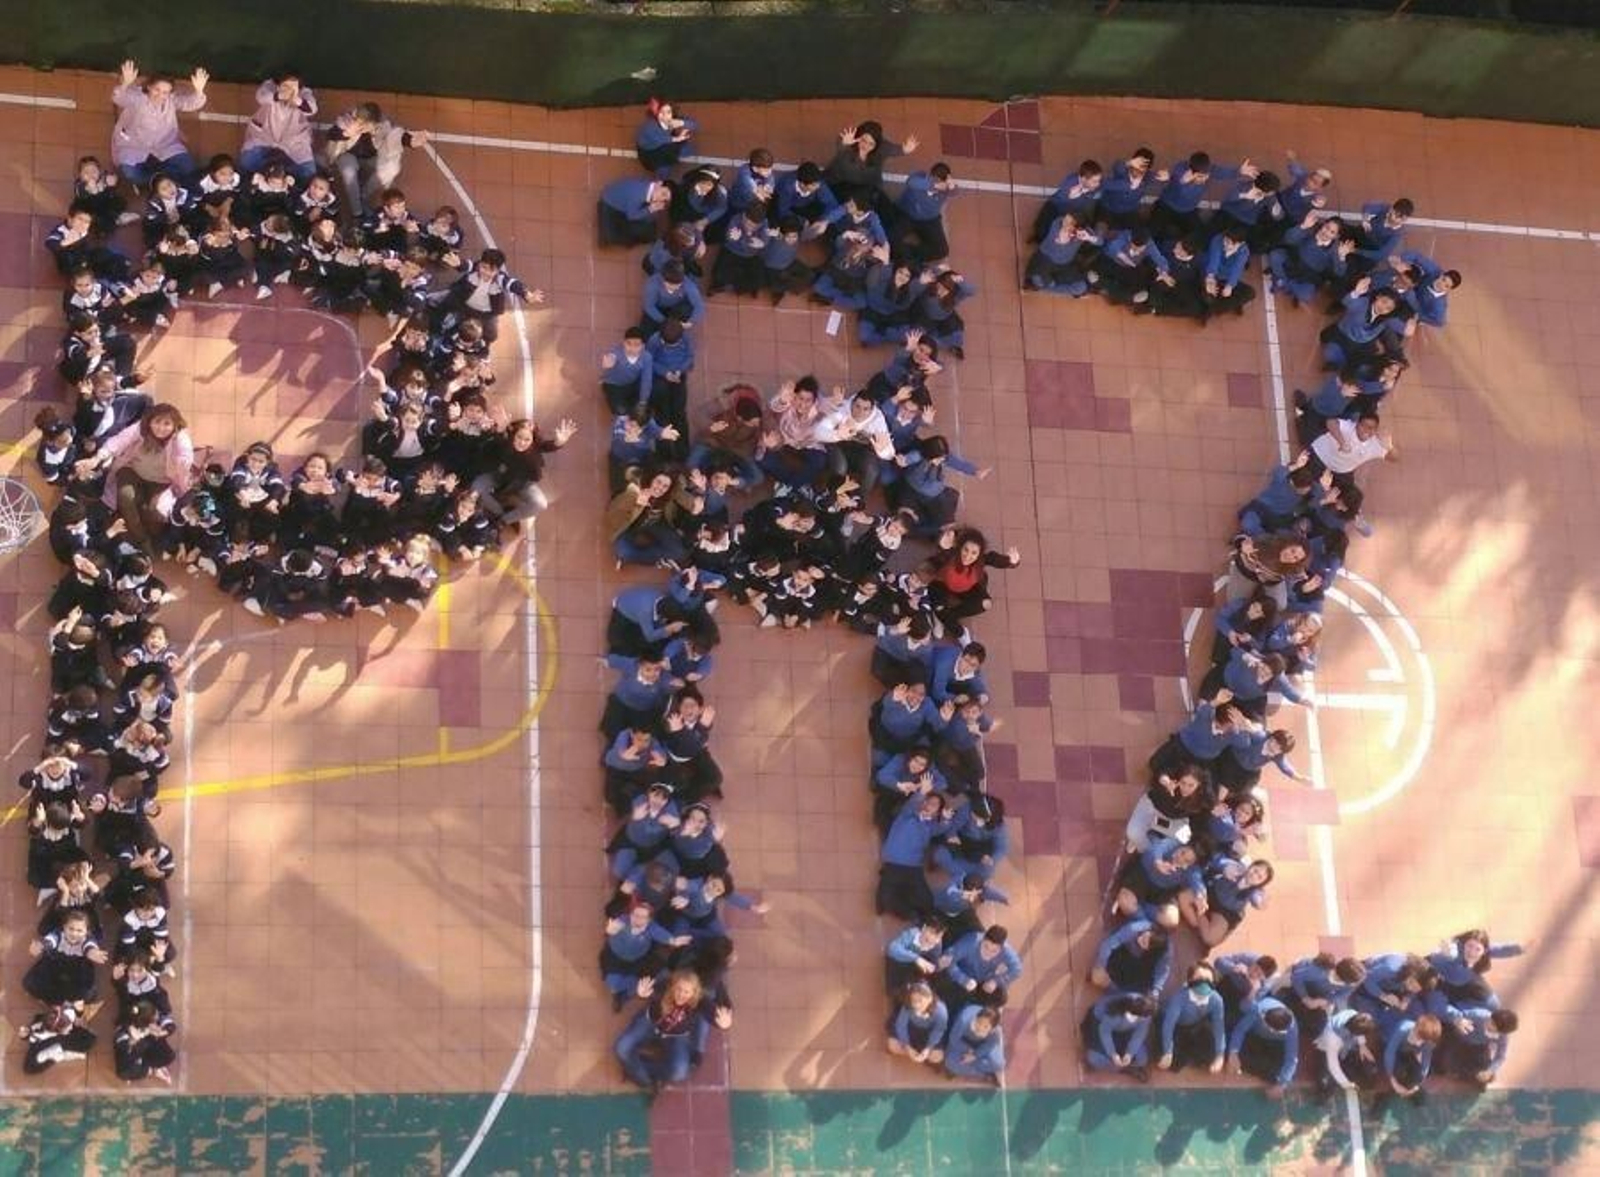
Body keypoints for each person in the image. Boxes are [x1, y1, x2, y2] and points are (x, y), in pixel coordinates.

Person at [614, 969, 731, 1095]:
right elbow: (649, 992)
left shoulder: (701, 1001)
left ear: (694, 993)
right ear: (672, 986)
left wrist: (724, 1024)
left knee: (679, 1072)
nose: (681, 995)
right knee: (621, 1048)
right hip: (649, 1024)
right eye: (678, 989)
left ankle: (637, 1070)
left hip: (676, 1036)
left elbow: (714, 1016)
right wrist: (641, 994)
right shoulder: (663, 988)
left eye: (687, 992)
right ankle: (643, 1079)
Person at [320, 102, 430, 216]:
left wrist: (411, 141)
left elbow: (398, 136)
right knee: (348, 172)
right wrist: (345, 133)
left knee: (392, 168)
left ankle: (363, 195)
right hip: (347, 156)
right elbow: (331, 134)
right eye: (356, 120)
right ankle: (357, 212)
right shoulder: (348, 119)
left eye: (363, 123)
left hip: (372, 158)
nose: (358, 125)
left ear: (374, 123)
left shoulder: (385, 125)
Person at [110, 60, 209, 187]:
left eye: (165, 92)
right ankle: (159, 180)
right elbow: (119, 98)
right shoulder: (138, 98)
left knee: (188, 168)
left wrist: (199, 91)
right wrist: (125, 84)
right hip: (134, 146)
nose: (160, 95)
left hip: (165, 146)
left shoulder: (171, 100)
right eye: (157, 90)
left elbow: (190, 103)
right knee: (130, 174)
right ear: (149, 87)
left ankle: (161, 179)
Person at [886, 981, 949, 1071]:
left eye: (920, 1001)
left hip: (928, 1033)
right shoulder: (908, 1005)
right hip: (911, 1028)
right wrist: (908, 1047)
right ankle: (916, 1055)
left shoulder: (941, 1011)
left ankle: (921, 1055)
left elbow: (938, 1030)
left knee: (938, 1057)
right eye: (914, 1001)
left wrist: (928, 1047)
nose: (916, 1005)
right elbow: (901, 1025)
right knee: (892, 1045)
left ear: (930, 998)